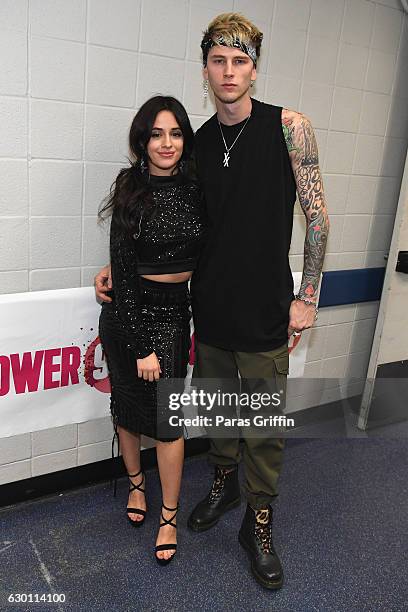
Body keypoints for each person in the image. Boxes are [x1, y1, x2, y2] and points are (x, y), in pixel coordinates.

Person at [95, 13, 329, 588]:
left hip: (268, 313)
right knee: (222, 418)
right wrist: (119, 263)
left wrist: (308, 297)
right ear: (205, 68)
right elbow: (169, 215)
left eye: (240, 61)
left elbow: (318, 219)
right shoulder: (195, 143)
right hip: (208, 314)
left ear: (254, 68)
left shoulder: (289, 127)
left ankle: (260, 523)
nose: (229, 72)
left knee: (263, 427)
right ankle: (222, 488)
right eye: (218, 61)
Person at [98, 96, 205, 565]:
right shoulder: (129, 186)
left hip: (174, 316)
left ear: (185, 139)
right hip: (129, 316)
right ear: (142, 141)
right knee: (126, 408)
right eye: (157, 134)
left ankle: (168, 516)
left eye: (176, 133)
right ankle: (137, 487)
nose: (167, 143)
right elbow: (122, 265)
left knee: (169, 424)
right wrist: (141, 346)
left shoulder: (198, 187)